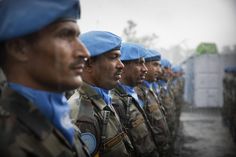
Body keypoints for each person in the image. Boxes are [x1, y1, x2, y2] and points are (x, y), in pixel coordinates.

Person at [0, 0, 90, 157]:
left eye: (77, 37)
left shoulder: (60, 118)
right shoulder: (6, 141)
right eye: (65, 35)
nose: (85, 53)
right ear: (19, 48)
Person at [68, 31, 133, 157]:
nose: (121, 65)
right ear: (89, 64)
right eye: (114, 57)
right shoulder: (81, 113)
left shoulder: (103, 100)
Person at [110, 42, 159, 157]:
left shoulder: (137, 93)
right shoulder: (115, 101)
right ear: (123, 66)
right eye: (139, 63)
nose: (145, 69)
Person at [135, 49, 170, 157]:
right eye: (155, 65)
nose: (160, 71)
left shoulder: (148, 90)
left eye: (160, 66)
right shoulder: (138, 93)